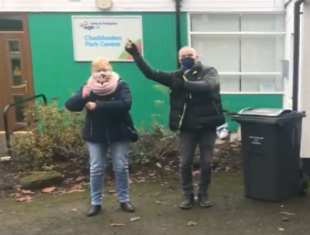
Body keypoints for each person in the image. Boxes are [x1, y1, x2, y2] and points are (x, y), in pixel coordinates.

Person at [125, 41, 225, 209]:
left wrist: (184, 84)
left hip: (207, 125)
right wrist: (136, 55)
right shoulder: (175, 76)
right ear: (179, 59)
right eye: (183, 56)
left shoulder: (209, 71)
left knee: (206, 162)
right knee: (185, 163)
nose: (186, 58)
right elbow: (150, 73)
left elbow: (207, 86)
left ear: (196, 57)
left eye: (190, 56)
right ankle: (187, 195)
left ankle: (203, 193)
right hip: (187, 128)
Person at [65, 57, 138, 217]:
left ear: (110, 70)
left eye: (104, 70)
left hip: (119, 132)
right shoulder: (87, 87)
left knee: (120, 166)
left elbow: (126, 104)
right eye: (98, 71)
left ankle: (124, 200)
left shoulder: (121, 85)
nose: (102, 74)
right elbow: (71, 106)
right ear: (92, 72)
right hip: (95, 134)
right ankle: (95, 203)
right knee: (96, 168)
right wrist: (82, 97)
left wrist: (98, 106)